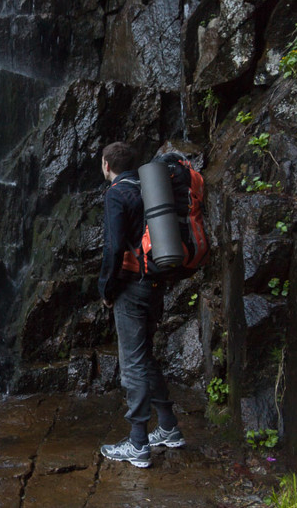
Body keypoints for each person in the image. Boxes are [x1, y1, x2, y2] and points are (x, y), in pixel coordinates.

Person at [97, 142, 184, 469]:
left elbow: (115, 246)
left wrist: (106, 287)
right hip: (157, 282)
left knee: (132, 362)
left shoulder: (117, 194)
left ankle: (137, 444)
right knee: (144, 355)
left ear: (107, 165)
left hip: (132, 287)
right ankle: (169, 427)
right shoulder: (151, 186)